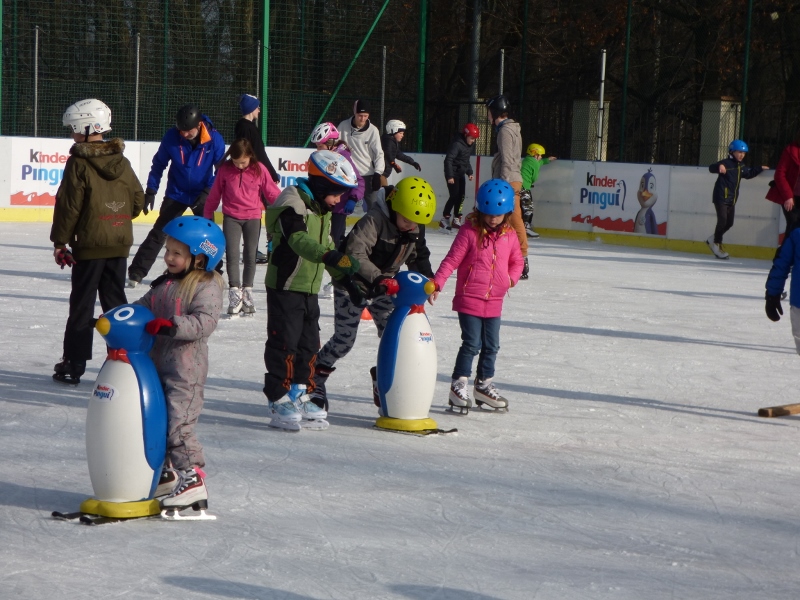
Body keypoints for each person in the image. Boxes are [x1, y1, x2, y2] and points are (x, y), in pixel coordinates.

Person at [310, 177, 437, 412]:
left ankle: (384, 379)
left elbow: (419, 255)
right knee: (344, 341)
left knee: (396, 335)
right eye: (407, 219)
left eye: (416, 222)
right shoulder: (374, 220)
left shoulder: (413, 227)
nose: (411, 226)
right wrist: (379, 278)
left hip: (384, 287)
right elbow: (355, 253)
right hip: (352, 282)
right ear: (395, 207)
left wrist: (428, 279)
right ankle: (314, 380)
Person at [263, 150, 361, 431]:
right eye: (336, 193)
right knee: (285, 343)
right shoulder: (291, 200)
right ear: (321, 187)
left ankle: (299, 393)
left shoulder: (323, 210)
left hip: (310, 288)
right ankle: (278, 397)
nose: (339, 200)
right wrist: (328, 257)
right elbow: (298, 240)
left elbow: (328, 248)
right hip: (286, 285)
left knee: (309, 344)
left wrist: (346, 281)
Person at [50, 98, 145, 385]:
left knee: (82, 304)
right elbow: (138, 202)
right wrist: (114, 219)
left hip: (88, 247)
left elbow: (69, 205)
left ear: (86, 126)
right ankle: (126, 360)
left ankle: (74, 364)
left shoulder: (78, 162)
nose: (71, 134)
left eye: (73, 129)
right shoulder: (123, 162)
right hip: (118, 244)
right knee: (116, 304)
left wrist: (60, 242)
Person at [134, 216, 225, 511]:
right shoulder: (165, 283)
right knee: (156, 421)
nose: (169, 257)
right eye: (167, 250)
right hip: (156, 365)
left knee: (178, 424)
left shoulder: (206, 285)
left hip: (186, 370)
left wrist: (170, 325)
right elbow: (142, 308)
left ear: (200, 257)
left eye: (177, 253)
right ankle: (167, 474)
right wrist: (120, 318)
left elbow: (205, 322)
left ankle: (193, 478)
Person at [433, 179, 524, 414]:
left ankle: (483, 385)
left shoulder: (510, 235)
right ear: (480, 210)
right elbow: (452, 259)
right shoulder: (469, 232)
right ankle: (458, 385)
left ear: (507, 213)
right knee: (472, 343)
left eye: (498, 214)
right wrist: (437, 283)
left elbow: (517, 261)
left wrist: (510, 280)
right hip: (469, 297)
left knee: (492, 346)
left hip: (494, 299)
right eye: (488, 213)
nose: (493, 218)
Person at [127, 104, 226, 287]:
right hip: (177, 193)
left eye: (188, 131)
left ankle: (215, 270)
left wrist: (207, 192)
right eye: (181, 130)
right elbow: (158, 164)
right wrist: (151, 190)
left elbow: (221, 170)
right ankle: (137, 272)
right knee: (160, 232)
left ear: (199, 125)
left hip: (201, 194)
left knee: (207, 236)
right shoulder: (172, 137)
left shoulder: (214, 139)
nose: (184, 134)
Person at [203, 138, 280, 315]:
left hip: (253, 217)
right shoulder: (225, 170)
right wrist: (208, 216)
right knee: (232, 254)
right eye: (236, 162)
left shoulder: (259, 169)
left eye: (243, 162)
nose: (239, 166)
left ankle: (247, 292)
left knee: (250, 255)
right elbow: (214, 195)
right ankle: (235, 292)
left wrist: (287, 204)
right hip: (231, 217)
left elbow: (272, 193)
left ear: (250, 156)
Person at [235, 93, 281, 265]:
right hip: (256, 175)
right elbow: (258, 154)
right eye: (257, 107)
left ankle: (256, 248)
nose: (259, 110)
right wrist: (271, 174)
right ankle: (265, 247)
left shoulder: (243, 127)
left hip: (253, 174)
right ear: (251, 109)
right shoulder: (248, 129)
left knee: (259, 211)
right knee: (267, 210)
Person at [487, 94, 529, 279]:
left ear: (495, 113)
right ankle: (508, 258)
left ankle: (522, 259)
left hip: (508, 180)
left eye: (489, 112)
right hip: (512, 178)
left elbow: (507, 159)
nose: (487, 116)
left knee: (512, 219)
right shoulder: (512, 128)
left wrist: (502, 185)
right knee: (508, 221)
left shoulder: (504, 131)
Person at [706, 140, 768, 259]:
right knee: (722, 220)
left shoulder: (741, 166)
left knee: (729, 223)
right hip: (721, 197)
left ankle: (713, 239)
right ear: (732, 151)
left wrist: (759, 168)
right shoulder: (726, 163)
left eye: (744, 153)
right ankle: (717, 244)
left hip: (732, 199)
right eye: (739, 152)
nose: (742, 155)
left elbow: (748, 174)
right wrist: (720, 166)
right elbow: (711, 168)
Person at [310, 122, 365, 249]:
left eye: (320, 146)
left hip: (339, 208)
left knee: (334, 240)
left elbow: (358, 181)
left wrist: (352, 199)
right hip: (326, 205)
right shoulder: (323, 157)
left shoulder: (343, 157)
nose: (317, 149)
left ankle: (340, 262)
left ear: (330, 144)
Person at [338, 99, 385, 212]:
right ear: (354, 112)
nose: (363, 119)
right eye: (360, 115)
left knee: (374, 207)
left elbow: (379, 153)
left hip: (367, 175)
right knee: (340, 206)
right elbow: (336, 146)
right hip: (347, 174)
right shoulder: (343, 126)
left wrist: (378, 173)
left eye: (365, 116)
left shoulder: (373, 130)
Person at [441, 123, 479, 231]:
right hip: (452, 174)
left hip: (461, 173)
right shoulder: (457, 144)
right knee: (454, 195)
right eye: (472, 138)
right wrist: (450, 176)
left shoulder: (468, 146)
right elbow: (448, 160)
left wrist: (469, 172)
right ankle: (445, 218)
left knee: (461, 196)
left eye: (474, 139)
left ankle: (457, 218)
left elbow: (465, 161)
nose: (473, 141)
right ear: (466, 135)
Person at [766, 133, 800, 253]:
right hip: (791, 197)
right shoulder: (791, 150)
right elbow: (780, 174)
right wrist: (788, 196)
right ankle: (782, 259)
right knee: (793, 226)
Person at [520, 143, 557, 238]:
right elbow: (535, 177)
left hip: (520, 186)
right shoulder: (534, 163)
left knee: (521, 207)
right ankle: (526, 227)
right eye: (540, 155)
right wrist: (531, 181)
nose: (541, 157)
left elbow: (539, 163)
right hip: (524, 187)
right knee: (528, 208)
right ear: (535, 154)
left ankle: (523, 226)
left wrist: (547, 160)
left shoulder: (528, 160)